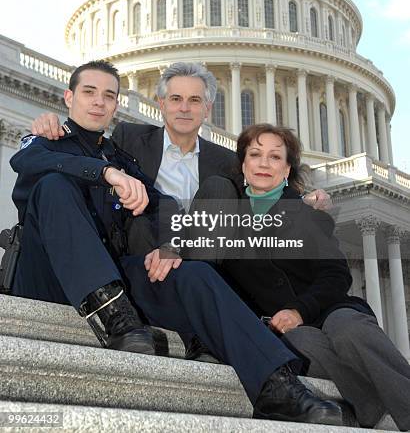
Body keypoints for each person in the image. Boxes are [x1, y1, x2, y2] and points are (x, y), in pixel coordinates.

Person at [10, 60, 343, 426]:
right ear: (69, 97)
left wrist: (168, 246)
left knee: (195, 273)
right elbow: (26, 159)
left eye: (109, 95)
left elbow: (163, 204)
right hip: (47, 273)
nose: (98, 102)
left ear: (117, 104)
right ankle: (114, 314)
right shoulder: (48, 141)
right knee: (54, 185)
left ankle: (277, 387)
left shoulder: (120, 155)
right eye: (89, 92)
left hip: (113, 276)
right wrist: (105, 174)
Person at [219, 123, 410, 431]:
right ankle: (370, 405)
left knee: (348, 330)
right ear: (242, 164)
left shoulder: (307, 214)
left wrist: (300, 310)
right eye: (255, 155)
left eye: (275, 157)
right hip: (284, 326)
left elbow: (336, 275)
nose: (264, 163)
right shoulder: (228, 220)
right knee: (300, 341)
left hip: (329, 308)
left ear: (286, 169)